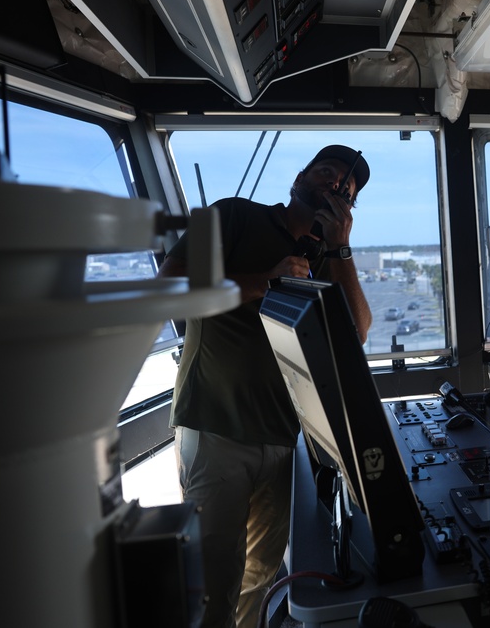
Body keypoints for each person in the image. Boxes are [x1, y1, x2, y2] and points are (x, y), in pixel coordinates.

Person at [157, 145, 373, 628]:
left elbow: (356, 333)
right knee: (213, 580)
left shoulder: (325, 259)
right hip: (214, 426)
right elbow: (168, 286)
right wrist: (264, 282)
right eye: (326, 172)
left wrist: (339, 249)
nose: (334, 185)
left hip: (281, 439)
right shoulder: (235, 215)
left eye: (347, 189)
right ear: (300, 175)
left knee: (262, 574)